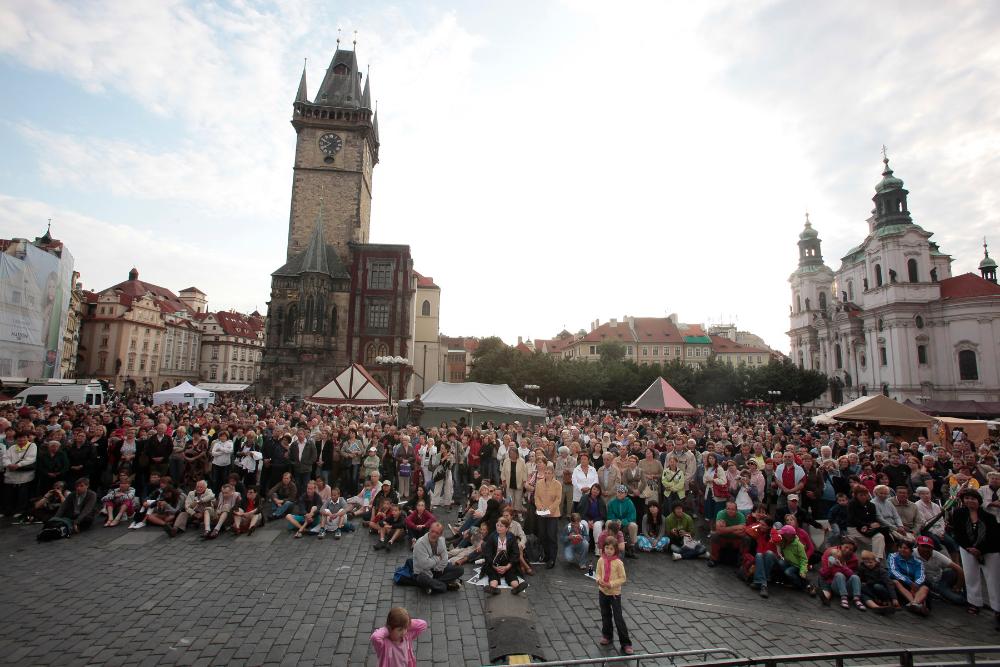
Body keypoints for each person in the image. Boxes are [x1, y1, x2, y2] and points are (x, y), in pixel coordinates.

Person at [950, 488, 1000, 620]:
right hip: (967, 548)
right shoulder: (959, 513)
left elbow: (993, 536)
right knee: (971, 576)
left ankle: (997, 607)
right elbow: (958, 533)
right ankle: (974, 602)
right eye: (966, 498)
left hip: (989, 550)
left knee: (993, 579)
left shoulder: (988, 516)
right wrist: (969, 548)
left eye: (972, 498)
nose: (969, 501)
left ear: (979, 501)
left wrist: (980, 550)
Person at [596, 536, 633, 656]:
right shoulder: (601, 560)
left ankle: (626, 643)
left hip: (614, 594)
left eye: (611, 549)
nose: (608, 551)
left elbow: (623, 578)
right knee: (605, 614)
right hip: (602, 591)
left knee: (618, 618)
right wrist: (599, 580)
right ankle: (607, 635)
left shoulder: (618, 563)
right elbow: (598, 573)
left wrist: (610, 584)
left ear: (615, 550)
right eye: (606, 548)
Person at [411, 522, 464, 594]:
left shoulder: (442, 540)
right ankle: (445, 585)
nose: (434, 534)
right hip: (424, 572)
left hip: (438, 569)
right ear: (429, 530)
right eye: (432, 531)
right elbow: (425, 565)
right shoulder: (420, 543)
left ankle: (435, 585)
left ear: (440, 534)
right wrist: (437, 558)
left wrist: (438, 569)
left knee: (460, 569)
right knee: (421, 578)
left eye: (437, 533)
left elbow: (445, 559)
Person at [482, 517, 528, 595]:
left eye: (501, 526)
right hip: (494, 562)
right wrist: (494, 566)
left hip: (508, 562)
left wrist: (508, 566)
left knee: (511, 575)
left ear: (506, 528)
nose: (498, 528)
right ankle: (493, 588)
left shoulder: (511, 537)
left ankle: (516, 588)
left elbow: (515, 553)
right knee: (493, 575)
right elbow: (488, 553)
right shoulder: (492, 536)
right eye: (497, 525)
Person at [914, 535, 965, 605]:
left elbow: (959, 569)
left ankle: (970, 597)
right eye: (923, 546)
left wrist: (958, 586)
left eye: (928, 547)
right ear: (917, 545)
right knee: (958, 599)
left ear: (932, 548)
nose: (925, 549)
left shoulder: (936, 554)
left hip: (941, 578)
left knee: (959, 573)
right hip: (929, 583)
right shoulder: (912, 553)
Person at [818, 538, 864, 610]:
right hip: (832, 581)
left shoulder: (853, 560)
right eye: (846, 547)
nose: (847, 550)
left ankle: (857, 598)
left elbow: (851, 574)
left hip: (845, 583)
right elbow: (824, 574)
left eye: (850, 549)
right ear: (841, 546)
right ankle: (842, 597)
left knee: (855, 577)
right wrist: (830, 566)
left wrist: (842, 566)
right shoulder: (830, 553)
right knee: (838, 576)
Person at [887, 540, 930, 615]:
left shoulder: (918, 562)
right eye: (900, 547)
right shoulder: (892, 556)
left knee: (925, 588)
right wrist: (909, 583)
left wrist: (916, 584)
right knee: (895, 582)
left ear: (911, 550)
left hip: (913, 585)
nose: (902, 550)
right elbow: (894, 571)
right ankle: (915, 604)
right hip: (900, 582)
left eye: (905, 548)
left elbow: (920, 575)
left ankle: (914, 604)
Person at [533, 463, 562, 568]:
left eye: (549, 473)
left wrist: (549, 510)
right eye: (545, 472)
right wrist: (540, 508)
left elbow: (558, 499)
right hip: (541, 513)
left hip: (553, 514)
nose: (547, 474)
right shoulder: (539, 483)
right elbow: (536, 497)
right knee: (543, 535)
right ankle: (546, 555)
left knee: (552, 536)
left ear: (553, 474)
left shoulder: (558, 484)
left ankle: (552, 559)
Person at [707, 500, 745, 567]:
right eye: (728, 509)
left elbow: (742, 533)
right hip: (723, 537)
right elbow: (718, 530)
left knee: (746, 538)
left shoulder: (741, 516)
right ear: (725, 509)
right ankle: (713, 559)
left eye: (733, 509)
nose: (730, 511)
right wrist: (736, 527)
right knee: (714, 535)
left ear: (736, 510)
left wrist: (725, 529)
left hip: (736, 538)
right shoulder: (721, 513)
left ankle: (742, 561)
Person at [606, 484, 638, 558]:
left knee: (633, 525)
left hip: (626, 524)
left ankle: (632, 547)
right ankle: (608, 545)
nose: (620, 494)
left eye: (622, 492)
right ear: (616, 492)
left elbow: (632, 516)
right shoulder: (611, 502)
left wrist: (623, 522)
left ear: (626, 494)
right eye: (618, 492)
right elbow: (610, 515)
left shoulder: (630, 503)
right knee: (608, 522)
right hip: (615, 523)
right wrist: (616, 521)